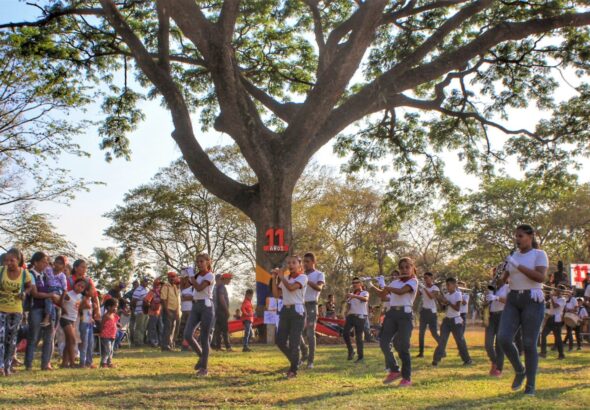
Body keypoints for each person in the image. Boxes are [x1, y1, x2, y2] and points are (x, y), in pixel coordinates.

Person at [497, 224, 548, 396]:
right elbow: (501, 282)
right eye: (516, 236)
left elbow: (540, 277)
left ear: (530, 236)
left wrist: (516, 265)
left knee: (529, 343)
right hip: (513, 299)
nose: (517, 239)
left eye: (521, 236)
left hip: (532, 299)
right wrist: (500, 274)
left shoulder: (539, 255)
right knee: (503, 338)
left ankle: (531, 386)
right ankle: (520, 370)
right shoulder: (513, 256)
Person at [375, 257, 418, 387]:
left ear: (412, 268)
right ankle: (394, 370)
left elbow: (401, 292)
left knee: (402, 346)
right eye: (401, 267)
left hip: (405, 315)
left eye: (407, 267)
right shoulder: (395, 282)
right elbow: (383, 297)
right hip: (392, 314)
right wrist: (378, 286)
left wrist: (386, 286)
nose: (404, 269)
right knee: (383, 342)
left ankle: (407, 377)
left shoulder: (413, 281)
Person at [272, 256, 308, 379]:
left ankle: (293, 370)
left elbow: (292, 288)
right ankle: (295, 361)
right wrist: (274, 278)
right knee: (280, 340)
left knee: (294, 342)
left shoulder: (303, 277)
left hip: (297, 311)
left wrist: (281, 277)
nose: (290, 265)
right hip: (285, 310)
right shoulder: (286, 278)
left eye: (293, 262)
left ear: (299, 265)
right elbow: (277, 294)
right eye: (288, 263)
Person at [24, 252, 60, 371]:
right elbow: (35, 293)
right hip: (36, 308)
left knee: (49, 337)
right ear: (36, 262)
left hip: (49, 309)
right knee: (34, 337)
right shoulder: (31, 275)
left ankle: (46, 364)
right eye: (44, 261)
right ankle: (28, 364)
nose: (46, 264)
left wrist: (54, 295)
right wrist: (50, 295)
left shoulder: (46, 276)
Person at [0, 248, 33, 376]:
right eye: (6, 260)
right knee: (0, 338)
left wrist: (25, 293)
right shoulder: (1, 271)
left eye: (11, 260)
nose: (8, 263)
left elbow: (30, 287)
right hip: (1, 309)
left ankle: (7, 367)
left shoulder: (25, 274)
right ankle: (1, 366)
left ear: (18, 261)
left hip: (16, 311)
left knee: (11, 340)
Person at [184, 253, 215, 377]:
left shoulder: (210, 275)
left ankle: (204, 368)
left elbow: (199, 288)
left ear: (208, 262)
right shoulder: (197, 275)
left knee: (204, 337)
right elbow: (191, 287)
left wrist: (191, 276)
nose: (199, 264)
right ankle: (202, 356)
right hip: (196, 306)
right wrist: (187, 276)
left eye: (202, 261)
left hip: (206, 307)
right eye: (198, 262)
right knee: (187, 334)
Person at [432, 277, 472, 367]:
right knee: (442, 340)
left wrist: (448, 302)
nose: (447, 287)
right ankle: (436, 360)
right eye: (446, 285)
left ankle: (467, 360)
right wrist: (438, 298)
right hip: (447, 320)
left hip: (456, 320)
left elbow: (457, 308)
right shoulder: (447, 295)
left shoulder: (458, 294)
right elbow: (442, 309)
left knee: (460, 341)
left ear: (454, 285)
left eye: (449, 285)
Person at [301, 252, 325, 369]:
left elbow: (319, 287)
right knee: (296, 332)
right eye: (303, 262)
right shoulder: (301, 275)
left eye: (307, 261)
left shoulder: (319, 274)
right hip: (300, 305)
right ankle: (304, 353)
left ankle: (311, 360)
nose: (305, 264)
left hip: (311, 305)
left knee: (310, 333)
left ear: (313, 262)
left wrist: (307, 281)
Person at [59, 278, 87, 368]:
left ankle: (64, 363)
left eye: (82, 287)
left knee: (69, 342)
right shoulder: (68, 294)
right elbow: (59, 302)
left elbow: (77, 309)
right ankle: (72, 363)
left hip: (73, 320)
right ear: (74, 284)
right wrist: (62, 308)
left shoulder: (80, 297)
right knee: (72, 340)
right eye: (78, 285)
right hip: (65, 319)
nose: (80, 288)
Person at [485, 276, 509, 377]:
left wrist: (497, 297)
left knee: (499, 345)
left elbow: (509, 301)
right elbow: (486, 303)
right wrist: (486, 298)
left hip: (502, 316)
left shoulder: (508, 287)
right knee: (488, 344)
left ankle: (498, 369)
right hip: (491, 316)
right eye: (495, 274)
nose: (496, 277)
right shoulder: (492, 287)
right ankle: (495, 362)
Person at [343, 277, 369, 364]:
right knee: (345, 333)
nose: (354, 284)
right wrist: (345, 311)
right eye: (353, 282)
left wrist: (354, 296)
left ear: (361, 284)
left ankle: (360, 357)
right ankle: (351, 350)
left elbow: (365, 299)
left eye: (356, 282)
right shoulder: (351, 294)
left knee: (358, 337)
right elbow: (348, 305)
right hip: (351, 316)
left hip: (360, 316)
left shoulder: (364, 292)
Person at [416, 272, 440, 358]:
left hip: (432, 313)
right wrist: (417, 286)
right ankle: (421, 353)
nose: (425, 279)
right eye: (424, 278)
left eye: (426, 278)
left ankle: (442, 349)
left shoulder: (435, 288)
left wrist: (424, 288)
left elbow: (431, 297)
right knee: (421, 333)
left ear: (431, 278)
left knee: (434, 333)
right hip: (424, 312)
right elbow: (417, 295)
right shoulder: (423, 288)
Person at [40, 257, 67, 327]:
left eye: (60, 264)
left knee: (49, 298)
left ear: (63, 266)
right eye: (56, 262)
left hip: (57, 290)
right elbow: (42, 270)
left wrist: (61, 301)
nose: (58, 264)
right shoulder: (48, 270)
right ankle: (52, 319)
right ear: (54, 263)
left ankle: (47, 317)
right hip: (48, 288)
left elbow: (65, 289)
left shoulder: (62, 276)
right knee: (50, 301)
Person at [540, 286, 566, 359]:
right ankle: (543, 352)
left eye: (556, 290)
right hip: (550, 318)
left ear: (561, 292)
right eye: (555, 290)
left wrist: (551, 297)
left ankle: (561, 354)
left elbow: (555, 306)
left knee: (558, 337)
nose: (555, 291)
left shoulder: (563, 299)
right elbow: (546, 304)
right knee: (544, 334)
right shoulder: (554, 298)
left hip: (557, 319)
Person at [160, 271, 181, 351]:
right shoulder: (166, 286)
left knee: (173, 328)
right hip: (168, 310)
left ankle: (170, 344)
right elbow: (163, 299)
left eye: (174, 276)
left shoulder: (175, 287)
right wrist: (167, 311)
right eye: (171, 277)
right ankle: (165, 346)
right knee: (167, 328)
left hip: (175, 311)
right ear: (168, 278)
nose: (172, 278)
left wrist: (177, 311)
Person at [212, 273, 232, 352]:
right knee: (225, 330)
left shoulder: (218, 287)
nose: (230, 281)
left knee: (218, 330)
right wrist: (226, 311)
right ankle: (228, 347)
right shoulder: (221, 287)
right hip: (222, 311)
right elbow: (221, 299)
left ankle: (218, 347)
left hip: (217, 311)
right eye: (229, 279)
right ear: (225, 279)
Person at [78, 285, 96, 368]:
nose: (94, 292)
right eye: (92, 290)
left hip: (89, 323)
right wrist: (83, 305)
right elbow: (79, 308)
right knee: (84, 343)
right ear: (87, 291)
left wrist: (92, 318)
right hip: (84, 323)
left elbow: (89, 311)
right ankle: (82, 362)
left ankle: (89, 362)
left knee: (90, 343)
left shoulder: (90, 300)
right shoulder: (83, 298)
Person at [100, 298, 120, 368]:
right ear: (109, 307)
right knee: (107, 350)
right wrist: (101, 332)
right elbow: (102, 325)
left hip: (112, 336)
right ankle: (103, 362)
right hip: (106, 336)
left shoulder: (114, 315)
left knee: (111, 350)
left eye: (117, 307)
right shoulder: (106, 316)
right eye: (115, 306)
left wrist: (117, 324)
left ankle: (109, 362)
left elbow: (114, 323)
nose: (116, 308)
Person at [131, 277, 149, 347]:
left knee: (143, 327)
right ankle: (137, 342)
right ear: (141, 282)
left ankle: (141, 341)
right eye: (145, 281)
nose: (146, 283)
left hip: (145, 311)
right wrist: (135, 309)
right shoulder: (138, 290)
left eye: (147, 281)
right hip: (140, 311)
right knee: (139, 327)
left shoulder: (145, 290)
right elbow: (133, 301)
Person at [145, 279, 162, 347]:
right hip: (152, 313)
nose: (158, 285)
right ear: (154, 284)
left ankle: (160, 341)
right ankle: (153, 342)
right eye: (157, 284)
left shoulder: (161, 292)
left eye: (159, 284)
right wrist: (151, 306)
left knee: (160, 327)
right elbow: (146, 301)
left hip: (160, 312)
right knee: (152, 328)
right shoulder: (151, 292)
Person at [178, 274, 194, 349]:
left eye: (184, 279)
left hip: (190, 310)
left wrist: (186, 297)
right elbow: (180, 298)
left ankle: (188, 343)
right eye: (182, 279)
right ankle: (182, 342)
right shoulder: (181, 289)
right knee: (182, 327)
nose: (182, 281)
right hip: (182, 311)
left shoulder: (192, 288)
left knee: (189, 327)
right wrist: (186, 297)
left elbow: (193, 297)